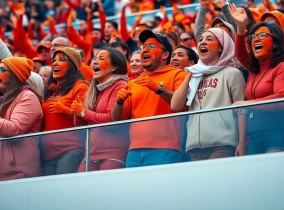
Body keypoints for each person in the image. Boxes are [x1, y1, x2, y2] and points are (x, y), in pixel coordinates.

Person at [112, 30, 186, 168]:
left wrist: (157, 88)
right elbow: (118, 120)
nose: (145, 50)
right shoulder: (133, 83)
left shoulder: (178, 75)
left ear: (165, 54)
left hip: (166, 148)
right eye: (143, 47)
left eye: (151, 46)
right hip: (133, 150)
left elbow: (182, 105)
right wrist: (119, 102)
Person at [230, 6, 284, 154]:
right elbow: (240, 52)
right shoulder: (255, 69)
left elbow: (281, 100)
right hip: (254, 136)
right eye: (253, 37)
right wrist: (241, 26)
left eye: (262, 36)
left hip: (280, 133)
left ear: (275, 43)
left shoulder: (283, 67)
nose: (256, 40)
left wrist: (246, 103)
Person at [171, 28, 247, 160]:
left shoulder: (232, 73)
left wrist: (242, 142)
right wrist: (190, 74)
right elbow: (175, 106)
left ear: (221, 47)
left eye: (209, 39)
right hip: (195, 146)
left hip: (223, 144)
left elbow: (242, 111)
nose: (203, 42)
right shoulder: (194, 76)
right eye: (201, 40)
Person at [72, 47, 129, 172]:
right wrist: (77, 113)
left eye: (101, 58)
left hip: (114, 153)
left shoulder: (120, 85)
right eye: (95, 58)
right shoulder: (93, 90)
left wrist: (83, 112)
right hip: (90, 154)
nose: (95, 62)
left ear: (114, 67)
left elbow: (111, 120)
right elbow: (81, 127)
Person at [41, 47, 88, 176]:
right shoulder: (50, 90)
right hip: (47, 154)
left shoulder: (80, 87)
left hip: (70, 150)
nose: (55, 63)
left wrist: (67, 111)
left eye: (61, 60)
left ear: (72, 66)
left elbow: (87, 119)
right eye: (54, 60)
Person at [0, 57, 43, 181]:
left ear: (15, 75)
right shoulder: (4, 100)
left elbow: (14, 128)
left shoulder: (28, 98)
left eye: (2, 70)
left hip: (19, 172)